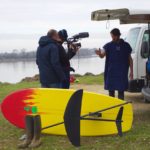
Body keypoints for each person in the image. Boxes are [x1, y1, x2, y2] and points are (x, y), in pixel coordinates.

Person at [95, 28, 133, 100]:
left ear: (118, 35)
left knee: (121, 93)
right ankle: (112, 109)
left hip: (122, 73)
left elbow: (130, 59)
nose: (112, 38)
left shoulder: (126, 45)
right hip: (111, 73)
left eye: (113, 36)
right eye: (111, 36)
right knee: (111, 93)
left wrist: (132, 71)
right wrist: (99, 54)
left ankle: (121, 108)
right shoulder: (108, 45)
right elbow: (102, 55)